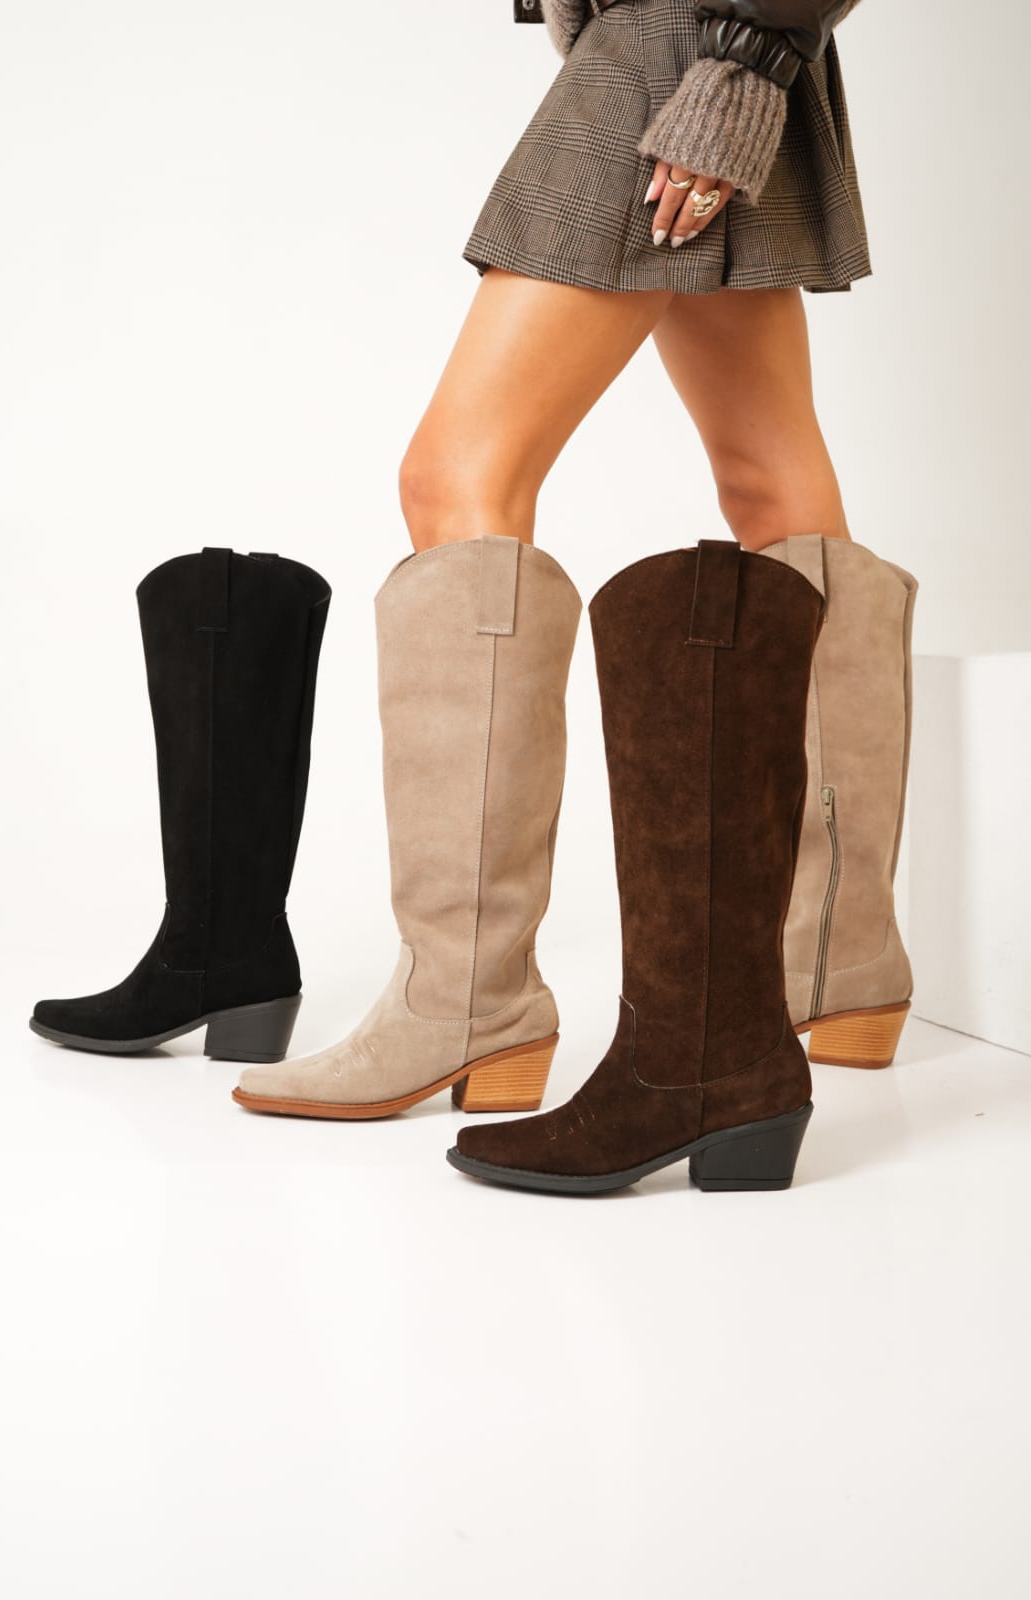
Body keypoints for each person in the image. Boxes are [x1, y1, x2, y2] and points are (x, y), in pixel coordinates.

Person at [232, 1, 917, 1189]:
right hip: (701, 49)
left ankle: (463, 996)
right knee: (771, 485)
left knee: (455, 477)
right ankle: (833, 957)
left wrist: (740, 66)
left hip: (683, 55)